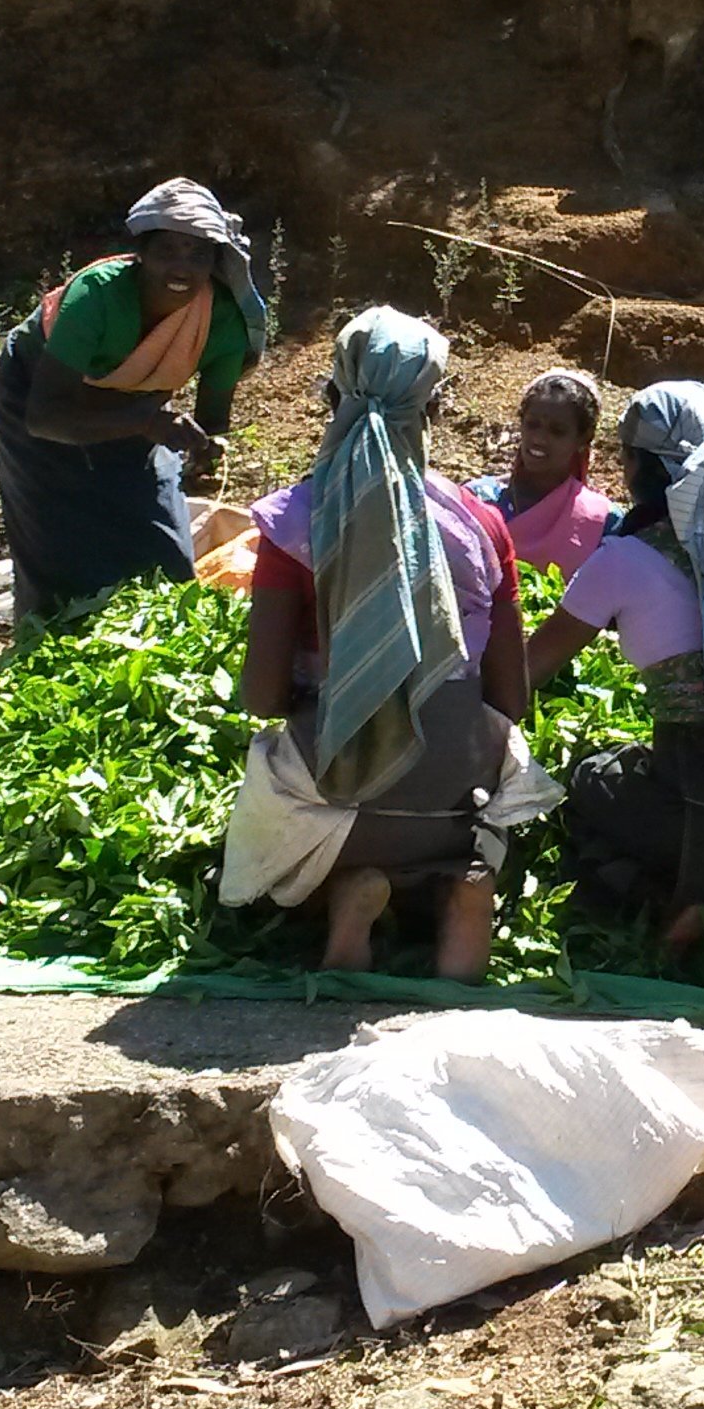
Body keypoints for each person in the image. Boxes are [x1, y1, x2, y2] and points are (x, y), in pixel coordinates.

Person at [219, 308, 546, 982]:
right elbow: (512, 698)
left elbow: (260, 696)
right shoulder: (481, 523)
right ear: (436, 407)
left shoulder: (295, 520)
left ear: (330, 396)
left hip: (347, 790)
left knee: (267, 816)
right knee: (496, 774)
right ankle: (460, 893)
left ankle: (344, 895)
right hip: (459, 796)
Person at [527, 382, 704, 960]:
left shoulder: (624, 558)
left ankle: (670, 903)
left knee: (585, 783)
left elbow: (529, 670)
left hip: (700, 806)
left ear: (636, 464)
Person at [0, 178, 272, 631]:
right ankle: (47, 646)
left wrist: (202, 448)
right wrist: (142, 422)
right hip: (41, 395)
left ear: (215, 262)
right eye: (167, 251)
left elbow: (212, 422)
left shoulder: (221, 325)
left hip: (139, 410)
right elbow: (45, 419)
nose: (181, 267)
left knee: (163, 554)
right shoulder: (96, 296)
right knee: (56, 545)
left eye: (197, 254)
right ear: (140, 254)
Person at [464, 367, 618, 575]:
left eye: (557, 431)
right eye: (532, 425)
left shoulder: (603, 522)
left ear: (583, 439)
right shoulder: (478, 500)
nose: (539, 439)